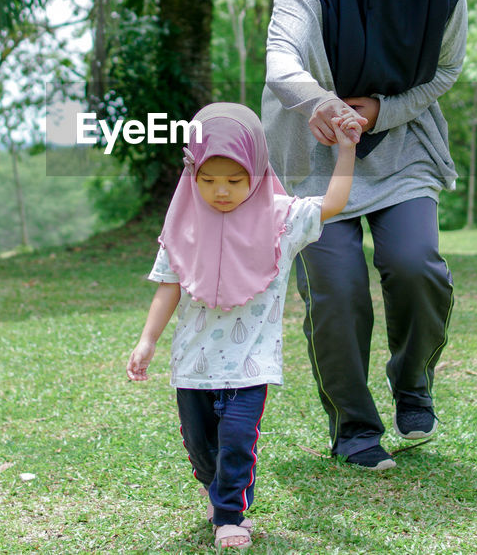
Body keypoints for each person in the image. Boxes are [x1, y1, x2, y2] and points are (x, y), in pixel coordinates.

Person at [261, 0, 468, 471]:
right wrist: (320, 103)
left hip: (400, 147)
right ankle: (353, 427)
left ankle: (414, 382)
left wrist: (378, 109)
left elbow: (446, 72)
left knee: (416, 266)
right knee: (338, 287)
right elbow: (279, 60)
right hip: (313, 156)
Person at [126, 102, 361, 550]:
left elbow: (332, 203)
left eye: (236, 180)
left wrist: (347, 150)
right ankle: (217, 490)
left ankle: (231, 513)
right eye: (208, 180)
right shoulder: (183, 222)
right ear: (191, 173)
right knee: (200, 447)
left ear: (257, 167)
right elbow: (168, 285)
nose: (221, 192)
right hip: (193, 363)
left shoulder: (281, 217)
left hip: (251, 360)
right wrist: (147, 340)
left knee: (236, 439)